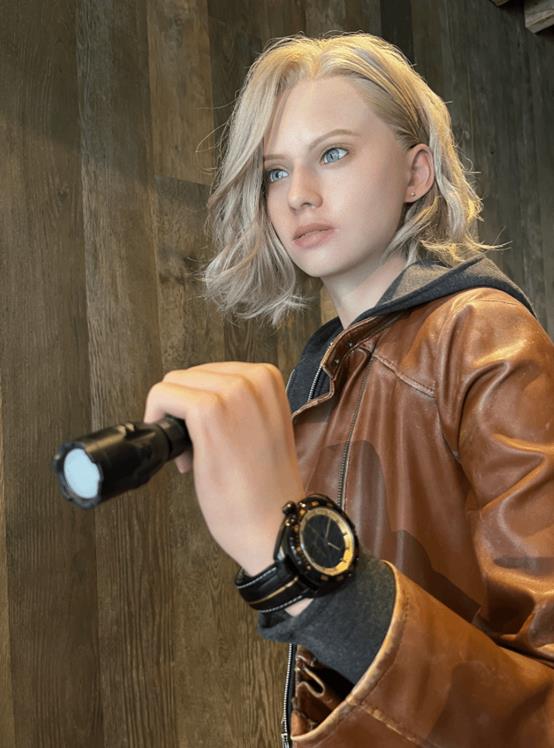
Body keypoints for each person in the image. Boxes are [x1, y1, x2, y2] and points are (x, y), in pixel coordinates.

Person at [143, 32, 554, 746]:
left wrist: (294, 565)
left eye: (333, 153)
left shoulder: (482, 335)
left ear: (416, 172)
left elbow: (541, 703)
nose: (298, 195)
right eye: (275, 171)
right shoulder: (324, 378)